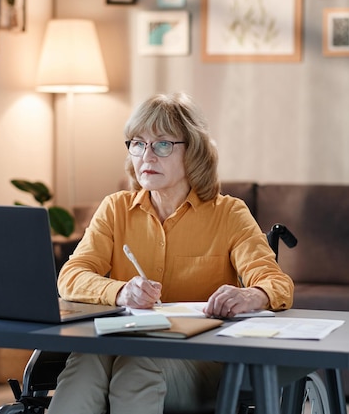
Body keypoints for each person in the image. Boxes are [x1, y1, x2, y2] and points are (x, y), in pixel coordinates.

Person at [48, 92, 294, 414]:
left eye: (162, 144)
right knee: (84, 362)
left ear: (193, 152)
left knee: (136, 365)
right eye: (138, 143)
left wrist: (252, 295)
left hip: (199, 359)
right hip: (121, 344)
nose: (146, 157)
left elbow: (276, 283)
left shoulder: (230, 213)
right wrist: (121, 292)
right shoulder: (115, 208)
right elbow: (71, 276)